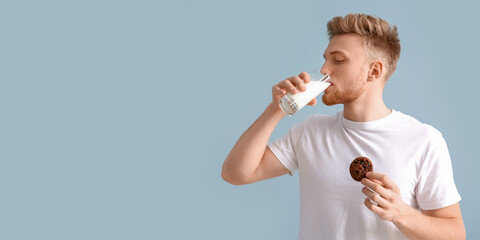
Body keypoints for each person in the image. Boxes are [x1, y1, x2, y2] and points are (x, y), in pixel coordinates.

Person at [221, 13, 466, 240]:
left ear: (374, 71)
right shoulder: (310, 131)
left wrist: (401, 214)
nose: (325, 70)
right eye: (325, 59)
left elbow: (455, 232)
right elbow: (235, 174)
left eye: (338, 60)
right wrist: (276, 109)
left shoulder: (423, 140)